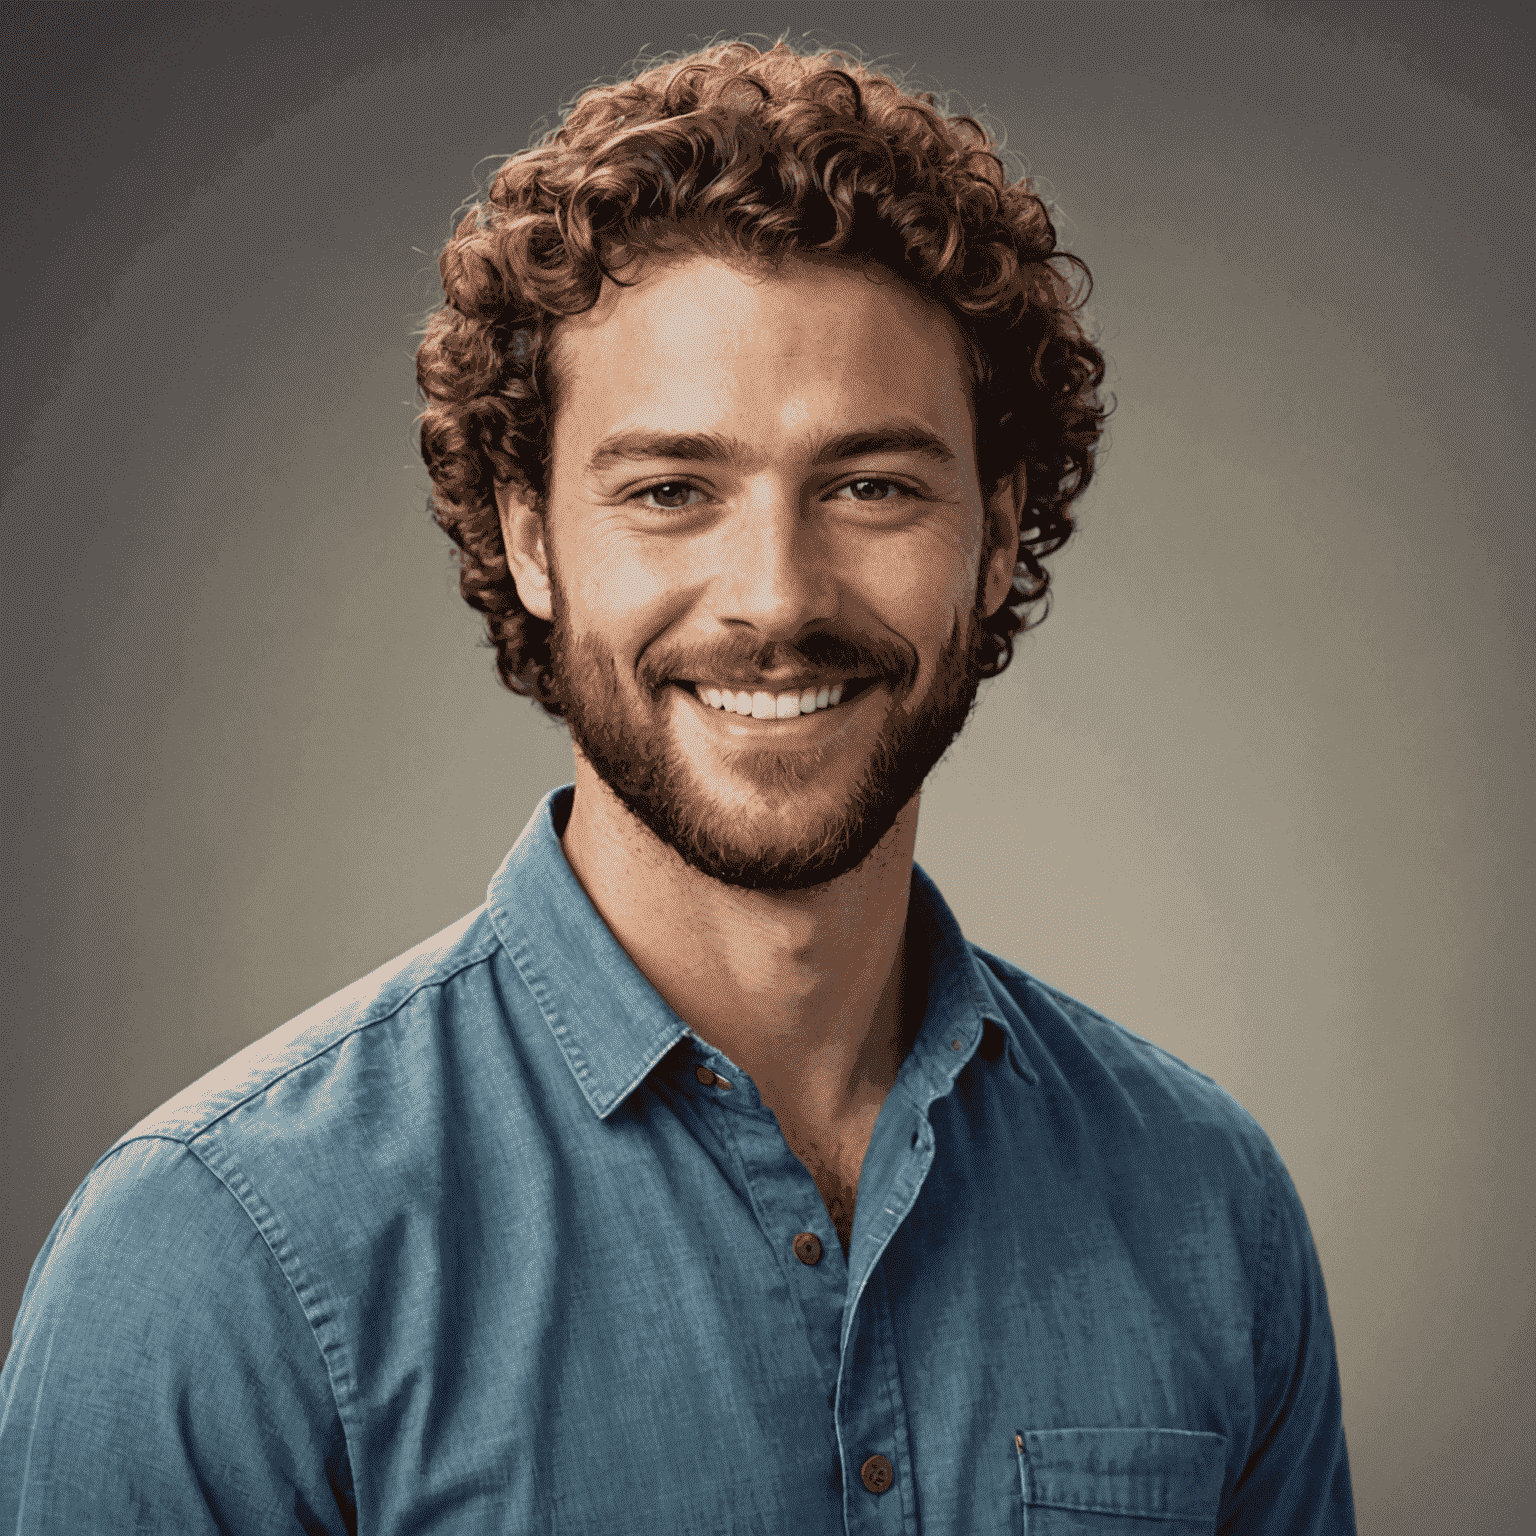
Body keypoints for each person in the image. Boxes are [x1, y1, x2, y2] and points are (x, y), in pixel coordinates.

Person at [0, 37, 1354, 1533]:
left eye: (873, 485)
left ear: (996, 528)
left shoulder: (1206, 1206)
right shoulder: (212, 1257)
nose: (774, 596)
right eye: (669, 492)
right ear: (529, 537)